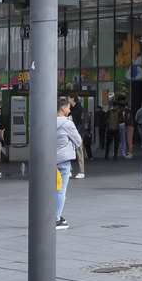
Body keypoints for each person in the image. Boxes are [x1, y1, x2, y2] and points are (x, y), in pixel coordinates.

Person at [52, 97, 84, 229]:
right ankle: (55, 219)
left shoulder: (46, 121)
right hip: (63, 161)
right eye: (68, 108)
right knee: (60, 191)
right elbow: (78, 141)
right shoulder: (67, 124)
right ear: (63, 108)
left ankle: (47, 216)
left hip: (48, 161)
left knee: (47, 190)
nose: (70, 110)